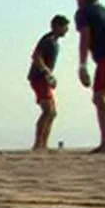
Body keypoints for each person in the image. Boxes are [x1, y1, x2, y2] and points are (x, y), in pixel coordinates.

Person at [75, 0, 105, 152]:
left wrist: (82, 65)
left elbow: (84, 38)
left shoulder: (83, 12)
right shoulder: (103, 11)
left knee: (99, 97)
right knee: (101, 97)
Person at [28, 15, 70, 151]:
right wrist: (46, 73)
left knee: (52, 112)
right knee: (48, 110)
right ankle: (38, 144)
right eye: (64, 27)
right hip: (38, 78)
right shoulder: (48, 40)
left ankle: (43, 144)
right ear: (57, 26)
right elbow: (36, 56)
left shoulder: (55, 42)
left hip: (44, 79)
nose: (66, 30)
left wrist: (50, 76)